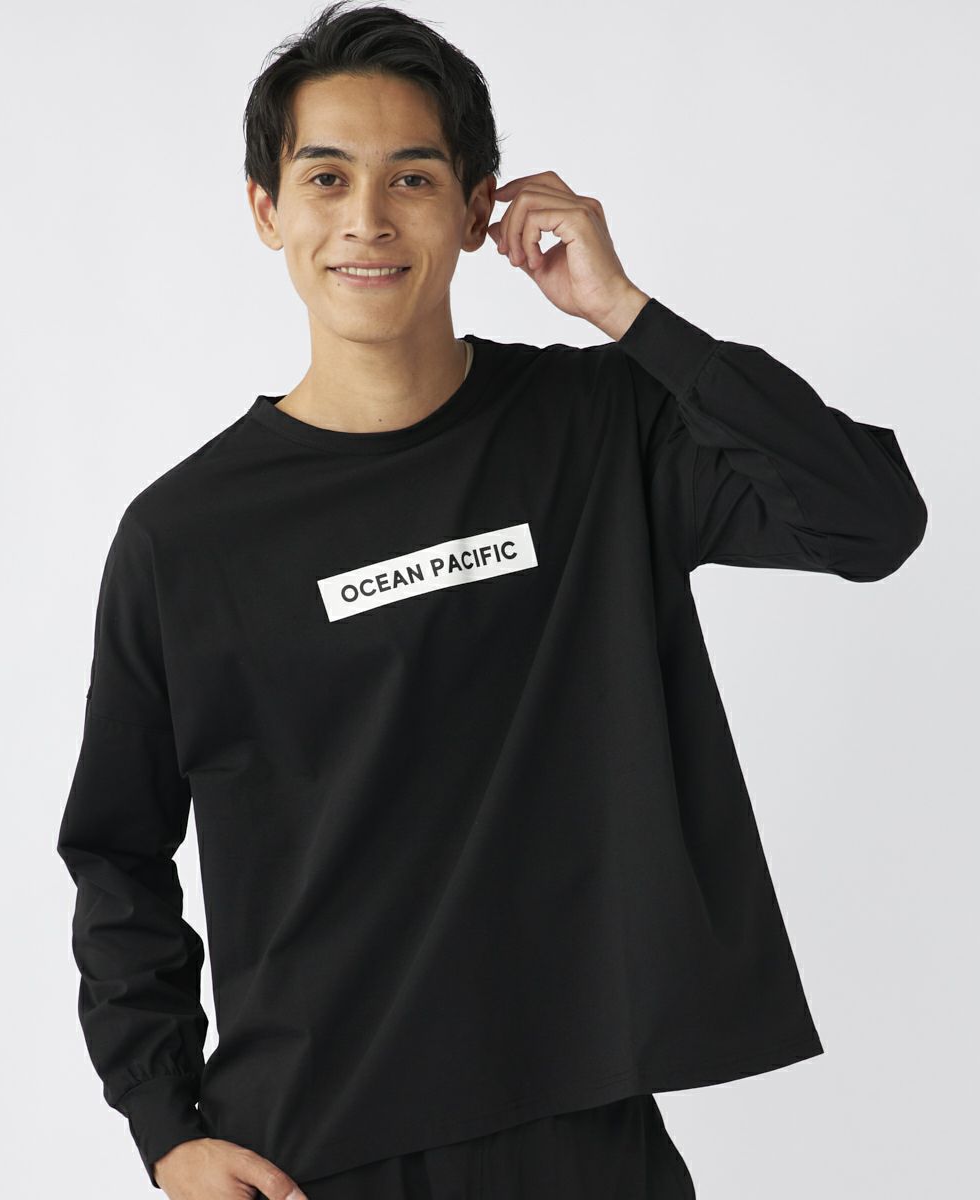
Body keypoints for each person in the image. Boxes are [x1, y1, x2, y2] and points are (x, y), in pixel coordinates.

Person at [55, 3, 928, 1198]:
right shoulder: (185, 536)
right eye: (327, 177)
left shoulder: (598, 430)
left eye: (412, 178)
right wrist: (166, 1128)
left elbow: (869, 522)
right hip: (315, 1149)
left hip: (581, 1133)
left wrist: (628, 315)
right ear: (267, 210)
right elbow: (117, 852)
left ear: (477, 211)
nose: (368, 218)